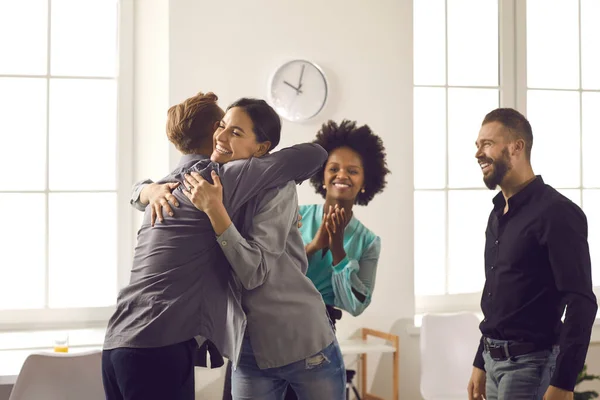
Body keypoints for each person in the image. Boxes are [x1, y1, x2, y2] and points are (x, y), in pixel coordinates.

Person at [102, 92, 328, 400]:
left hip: (116, 343)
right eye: (222, 126)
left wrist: (145, 190)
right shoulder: (218, 176)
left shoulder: (167, 185)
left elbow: (136, 192)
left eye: (233, 129)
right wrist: (261, 157)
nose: (223, 134)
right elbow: (313, 155)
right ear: (212, 133)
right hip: (157, 349)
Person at [467, 108, 598, 400]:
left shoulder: (558, 213)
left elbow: (582, 302)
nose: (478, 153)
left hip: (531, 368)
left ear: (517, 146)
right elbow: (499, 297)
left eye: (487, 143)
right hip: (492, 363)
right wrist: (480, 360)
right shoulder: (497, 213)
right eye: (477, 145)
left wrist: (563, 383)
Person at [281, 120, 389, 400]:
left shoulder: (368, 242)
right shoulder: (295, 215)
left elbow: (356, 303)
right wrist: (316, 245)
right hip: (275, 325)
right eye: (334, 168)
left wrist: (339, 250)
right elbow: (272, 271)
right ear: (322, 176)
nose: (343, 175)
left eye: (353, 171)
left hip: (319, 337)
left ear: (365, 182)